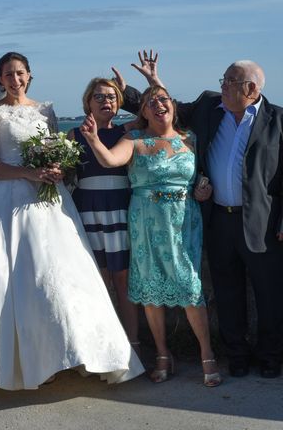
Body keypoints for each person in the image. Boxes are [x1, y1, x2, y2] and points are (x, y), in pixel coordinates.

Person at [0, 52, 144, 405]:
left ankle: (65, 354)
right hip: (8, 198)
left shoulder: (46, 111)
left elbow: (56, 152)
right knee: (8, 278)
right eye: (8, 74)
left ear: (29, 76)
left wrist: (55, 170)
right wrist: (27, 172)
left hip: (49, 200)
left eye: (20, 73)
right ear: (1, 78)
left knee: (60, 276)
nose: (15, 79)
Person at [123, 57, 283, 379]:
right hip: (218, 219)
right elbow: (165, 109)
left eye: (228, 82)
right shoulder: (211, 106)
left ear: (250, 89)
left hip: (261, 223)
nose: (221, 86)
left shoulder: (277, 120)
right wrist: (146, 83)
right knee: (226, 291)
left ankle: (269, 356)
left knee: (269, 294)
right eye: (223, 80)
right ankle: (236, 354)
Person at [80, 84, 221, 386]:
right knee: (150, 286)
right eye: (150, 102)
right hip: (145, 221)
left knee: (189, 285)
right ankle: (162, 354)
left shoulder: (191, 139)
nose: (158, 105)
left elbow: (204, 176)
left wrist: (203, 190)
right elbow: (110, 160)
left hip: (184, 221)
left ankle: (207, 354)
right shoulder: (134, 139)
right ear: (142, 112)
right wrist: (92, 140)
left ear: (172, 105)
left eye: (163, 99)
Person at [69, 77, 139, 348]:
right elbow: (65, 174)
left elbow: (159, 109)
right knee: (96, 279)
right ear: (87, 102)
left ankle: (132, 344)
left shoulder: (127, 132)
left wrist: (133, 87)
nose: (106, 101)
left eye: (111, 96)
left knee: (122, 278)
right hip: (86, 209)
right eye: (99, 96)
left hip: (119, 208)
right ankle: (101, 345)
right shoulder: (73, 135)